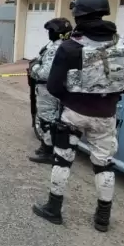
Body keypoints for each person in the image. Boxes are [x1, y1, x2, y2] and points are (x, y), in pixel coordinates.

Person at [31, 0, 124, 232]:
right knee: (104, 165)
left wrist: (74, 95)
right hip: (106, 115)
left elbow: (54, 87)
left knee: (62, 160)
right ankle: (102, 218)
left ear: (78, 14)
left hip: (73, 114)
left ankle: (54, 208)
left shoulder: (70, 47)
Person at [27, 17, 72, 164]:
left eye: (51, 31)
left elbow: (45, 73)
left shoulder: (55, 48)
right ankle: (46, 148)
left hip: (47, 89)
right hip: (56, 88)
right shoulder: (65, 45)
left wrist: (33, 68)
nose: (48, 33)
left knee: (47, 120)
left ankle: (47, 151)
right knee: (51, 119)